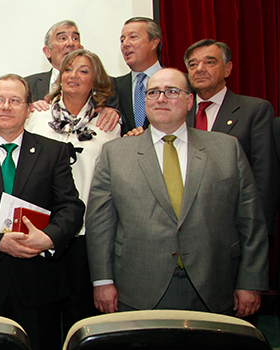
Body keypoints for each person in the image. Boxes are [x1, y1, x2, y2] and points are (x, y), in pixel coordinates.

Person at [87, 68, 268, 317]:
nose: (161, 98)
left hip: (215, 286)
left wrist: (250, 282)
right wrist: (102, 281)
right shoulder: (114, 153)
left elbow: (251, 221)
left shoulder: (227, 149)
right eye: (153, 92)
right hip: (139, 289)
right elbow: (100, 224)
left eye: (172, 91)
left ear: (189, 100)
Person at [0, 74, 84, 350]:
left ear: (28, 107)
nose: (6, 106)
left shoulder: (53, 152)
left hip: (39, 285)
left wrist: (49, 238)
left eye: (14, 100)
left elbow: (71, 207)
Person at [24, 49, 118, 333]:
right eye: (68, 69)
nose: (73, 76)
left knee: (82, 317)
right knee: (43, 317)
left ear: (96, 80)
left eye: (83, 70)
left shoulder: (108, 125)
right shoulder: (36, 117)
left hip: (86, 236)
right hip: (43, 231)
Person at [184, 39, 279, 234]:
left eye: (209, 62)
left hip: (233, 227)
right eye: (193, 64)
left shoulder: (254, 110)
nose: (199, 69)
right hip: (184, 227)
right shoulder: (176, 114)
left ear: (227, 69)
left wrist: (258, 230)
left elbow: (265, 176)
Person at [115, 17, 163, 135]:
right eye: (122, 40)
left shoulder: (180, 82)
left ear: (154, 43)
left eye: (133, 37)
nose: (125, 44)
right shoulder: (113, 87)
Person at [25, 20, 84, 102]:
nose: (70, 43)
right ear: (48, 51)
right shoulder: (26, 86)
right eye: (63, 38)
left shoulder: (104, 85)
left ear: (81, 50)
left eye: (75, 38)